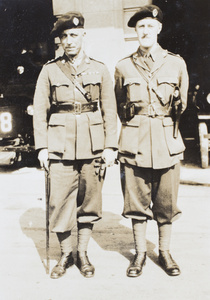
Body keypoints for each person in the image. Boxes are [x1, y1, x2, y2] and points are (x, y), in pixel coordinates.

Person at [33, 11, 118, 279]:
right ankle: (66, 253)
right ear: (59, 40)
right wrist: (42, 148)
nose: (69, 41)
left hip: (93, 146)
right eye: (64, 36)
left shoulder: (100, 69)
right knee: (59, 202)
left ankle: (82, 253)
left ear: (83, 35)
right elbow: (39, 111)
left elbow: (109, 111)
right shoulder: (50, 70)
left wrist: (110, 147)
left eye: (73, 35)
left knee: (89, 202)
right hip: (59, 145)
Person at [114, 5, 189, 277]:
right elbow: (118, 104)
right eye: (140, 27)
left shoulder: (176, 62)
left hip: (167, 141)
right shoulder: (123, 66)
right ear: (135, 31)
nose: (145, 31)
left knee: (166, 203)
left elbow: (181, 105)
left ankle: (164, 252)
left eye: (150, 26)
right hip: (134, 141)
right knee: (136, 202)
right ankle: (140, 254)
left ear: (159, 29)